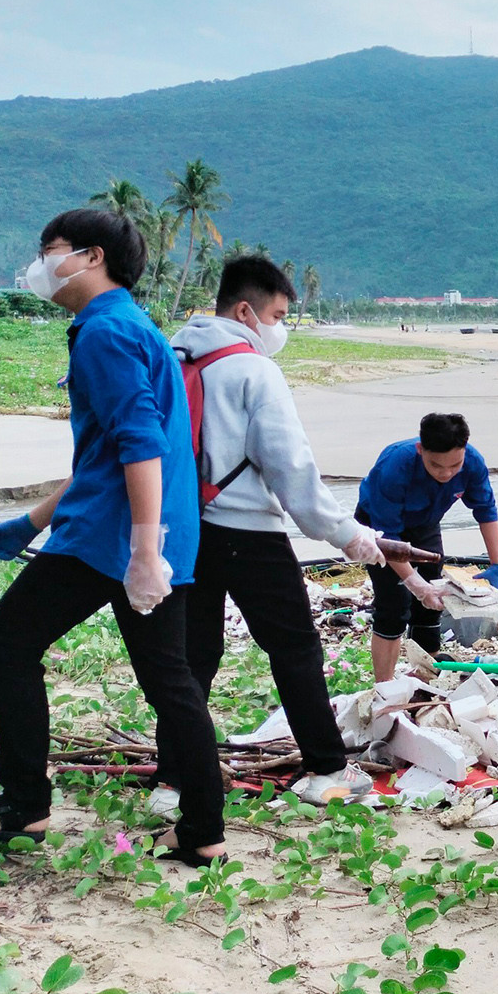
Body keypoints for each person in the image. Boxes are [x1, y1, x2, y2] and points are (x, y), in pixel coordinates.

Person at [0, 209, 226, 866]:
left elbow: (141, 443)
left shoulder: (105, 332)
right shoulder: (129, 324)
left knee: (5, 644)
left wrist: (142, 549)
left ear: (90, 256)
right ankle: (203, 831)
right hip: (148, 529)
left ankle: (23, 805)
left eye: (49, 251)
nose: (40, 265)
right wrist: (33, 521)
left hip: (111, 538)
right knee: (169, 680)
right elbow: (107, 454)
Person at [160, 255, 388, 809]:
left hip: (181, 527)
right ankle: (326, 770)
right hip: (247, 531)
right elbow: (290, 466)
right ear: (246, 311)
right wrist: (345, 533)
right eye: (279, 316)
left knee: (194, 654)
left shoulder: (170, 355)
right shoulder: (253, 369)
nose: (280, 328)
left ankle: (174, 781)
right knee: (294, 648)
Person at [358, 413, 498, 682]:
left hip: (425, 523)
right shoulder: (395, 465)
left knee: (433, 601)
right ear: (420, 449)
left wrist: (497, 564)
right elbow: (388, 535)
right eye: (436, 466)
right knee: (394, 605)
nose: (446, 473)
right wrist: (414, 582)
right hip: (378, 528)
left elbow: (486, 510)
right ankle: (384, 687)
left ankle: (427, 674)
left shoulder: (472, 462)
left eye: (455, 465)